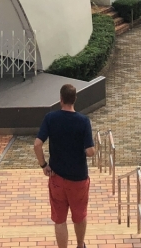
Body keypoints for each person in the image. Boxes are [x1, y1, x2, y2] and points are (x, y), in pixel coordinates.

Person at [35, 84, 96, 248]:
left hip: (56, 177)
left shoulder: (50, 118)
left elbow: (37, 144)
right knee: (79, 215)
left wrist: (43, 165)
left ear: (61, 99)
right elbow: (90, 151)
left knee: (60, 219)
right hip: (78, 179)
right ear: (75, 99)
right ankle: (80, 245)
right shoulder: (83, 121)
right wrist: (91, 150)